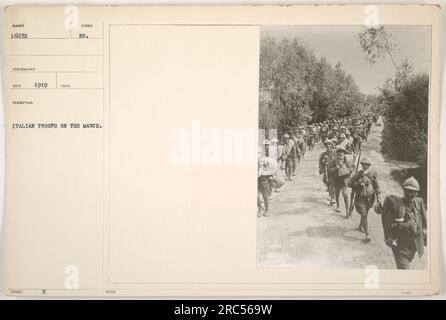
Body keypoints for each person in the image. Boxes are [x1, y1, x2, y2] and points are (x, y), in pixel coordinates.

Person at [380, 177, 427, 269]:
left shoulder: (419, 202)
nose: (410, 194)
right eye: (407, 190)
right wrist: (407, 226)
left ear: (417, 192)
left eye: (413, 191)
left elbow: (424, 222)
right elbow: (389, 226)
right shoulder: (396, 205)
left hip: (414, 246)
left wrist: (425, 233)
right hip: (400, 245)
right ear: (403, 190)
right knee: (404, 271)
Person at [348, 157, 381, 242]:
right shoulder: (359, 174)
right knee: (364, 214)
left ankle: (360, 226)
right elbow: (349, 183)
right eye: (362, 164)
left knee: (365, 213)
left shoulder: (373, 173)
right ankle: (367, 234)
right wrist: (358, 183)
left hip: (370, 197)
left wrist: (379, 197)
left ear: (369, 165)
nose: (364, 166)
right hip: (359, 197)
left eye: (366, 165)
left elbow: (376, 186)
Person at [331, 147, 351, 217]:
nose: (340, 153)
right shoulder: (334, 160)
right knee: (337, 193)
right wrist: (335, 168)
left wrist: (347, 170)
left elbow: (352, 168)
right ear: (337, 153)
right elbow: (329, 169)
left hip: (344, 180)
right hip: (336, 179)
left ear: (344, 153)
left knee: (345, 195)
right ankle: (338, 206)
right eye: (339, 152)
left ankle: (347, 210)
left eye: (342, 152)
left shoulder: (347, 160)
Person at [319, 139, 336, 206]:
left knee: (333, 184)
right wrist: (323, 162)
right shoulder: (323, 154)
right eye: (327, 145)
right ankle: (330, 194)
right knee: (327, 182)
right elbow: (320, 162)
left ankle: (333, 198)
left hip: (334, 171)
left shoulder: (335, 153)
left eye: (329, 145)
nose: (328, 146)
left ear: (331, 145)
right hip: (326, 171)